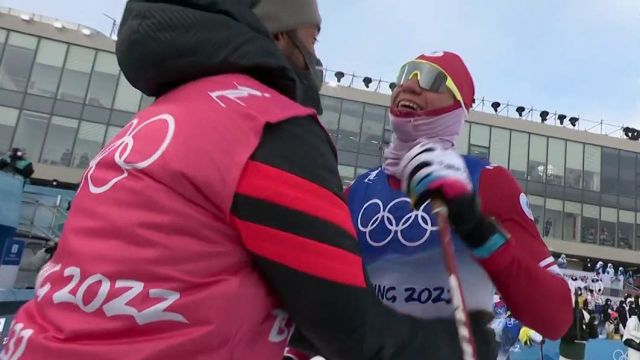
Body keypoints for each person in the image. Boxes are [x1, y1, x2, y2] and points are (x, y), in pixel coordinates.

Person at [5, 1, 493, 359]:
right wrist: (462, 346)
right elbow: (348, 327)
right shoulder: (267, 126)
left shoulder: (165, 115)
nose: (315, 59)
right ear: (279, 37)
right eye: (313, 41)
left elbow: (215, 288)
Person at [344, 52, 572, 339]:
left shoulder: (488, 182)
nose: (409, 86)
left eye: (431, 79)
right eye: (405, 74)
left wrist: (477, 229)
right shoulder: (357, 191)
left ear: (457, 106)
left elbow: (556, 318)